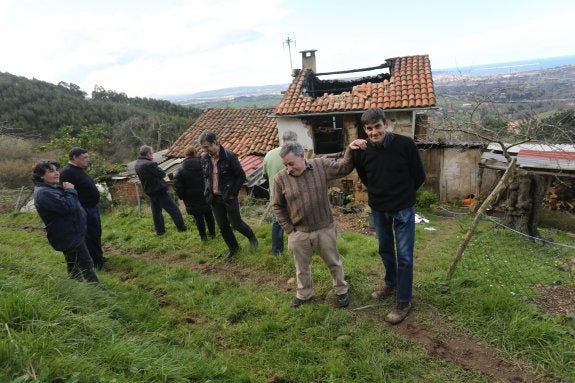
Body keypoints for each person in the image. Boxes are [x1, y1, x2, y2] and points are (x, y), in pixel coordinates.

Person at [349, 107, 426, 324]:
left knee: (404, 255)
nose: (374, 132)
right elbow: (365, 178)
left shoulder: (405, 145)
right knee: (385, 249)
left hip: (403, 208)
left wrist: (404, 197)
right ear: (365, 130)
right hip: (379, 209)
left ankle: (403, 300)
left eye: (377, 127)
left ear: (386, 124)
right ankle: (391, 284)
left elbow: (418, 176)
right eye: (369, 129)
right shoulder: (360, 152)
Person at [272, 141, 354, 308]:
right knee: (301, 268)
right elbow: (277, 205)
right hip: (298, 232)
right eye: (285, 164)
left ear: (302, 156)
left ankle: (341, 289)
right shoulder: (280, 178)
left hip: (325, 228)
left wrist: (351, 148)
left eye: (291, 163)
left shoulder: (320, 165)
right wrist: (289, 229)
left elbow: (344, 168)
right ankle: (304, 293)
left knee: (334, 262)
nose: (288, 168)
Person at [33, 160, 99, 283]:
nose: (57, 173)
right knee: (86, 263)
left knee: (73, 262)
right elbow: (68, 207)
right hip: (68, 234)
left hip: (68, 232)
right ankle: (97, 290)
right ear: (41, 175)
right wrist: (70, 190)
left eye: (57, 170)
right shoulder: (44, 193)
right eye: (51, 171)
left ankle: (75, 283)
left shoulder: (50, 188)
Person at [199, 130, 258, 260]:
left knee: (236, 223)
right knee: (223, 226)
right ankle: (234, 248)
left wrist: (233, 193)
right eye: (203, 148)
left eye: (207, 146)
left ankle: (252, 238)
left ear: (215, 142)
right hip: (214, 198)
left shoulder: (229, 156)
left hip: (228, 197)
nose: (205, 150)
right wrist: (207, 191)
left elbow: (241, 176)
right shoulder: (204, 158)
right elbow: (205, 177)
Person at [59, 147, 106, 270]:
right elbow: (67, 193)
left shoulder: (79, 170)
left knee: (96, 233)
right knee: (89, 236)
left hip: (91, 208)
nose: (87, 160)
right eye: (84, 157)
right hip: (83, 210)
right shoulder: (67, 172)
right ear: (74, 157)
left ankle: (98, 256)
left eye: (87, 157)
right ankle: (96, 262)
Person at [134, 145, 187, 235]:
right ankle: (182, 228)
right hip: (159, 191)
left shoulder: (137, 164)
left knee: (156, 213)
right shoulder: (149, 164)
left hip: (150, 191)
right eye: (151, 153)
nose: (153, 155)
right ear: (147, 154)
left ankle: (160, 231)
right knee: (173, 209)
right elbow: (162, 174)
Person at [262, 130, 298, 256]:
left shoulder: (269, 155)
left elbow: (265, 175)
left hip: (275, 196)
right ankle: (299, 250)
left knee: (277, 223)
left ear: (282, 139)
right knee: (297, 221)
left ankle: (277, 252)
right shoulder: (296, 155)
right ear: (294, 141)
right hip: (294, 195)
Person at [173, 147, 216, 241]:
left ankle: (203, 238)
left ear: (186, 155)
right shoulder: (204, 164)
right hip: (206, 194)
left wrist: (182, 196)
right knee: (209, 214)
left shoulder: (180, 169)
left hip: (191, 198)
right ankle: (212, 234)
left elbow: (178, 186)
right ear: (195, 154)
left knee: (198, 218)